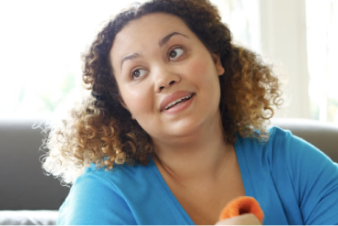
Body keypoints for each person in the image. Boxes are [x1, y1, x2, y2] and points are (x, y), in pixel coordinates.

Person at [42, 0, 338, 225]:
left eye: (175, 52)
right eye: (137, 72)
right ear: (123, 103)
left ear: (215, 59)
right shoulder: (101, 196)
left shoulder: (290, 162)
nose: (163, 78)